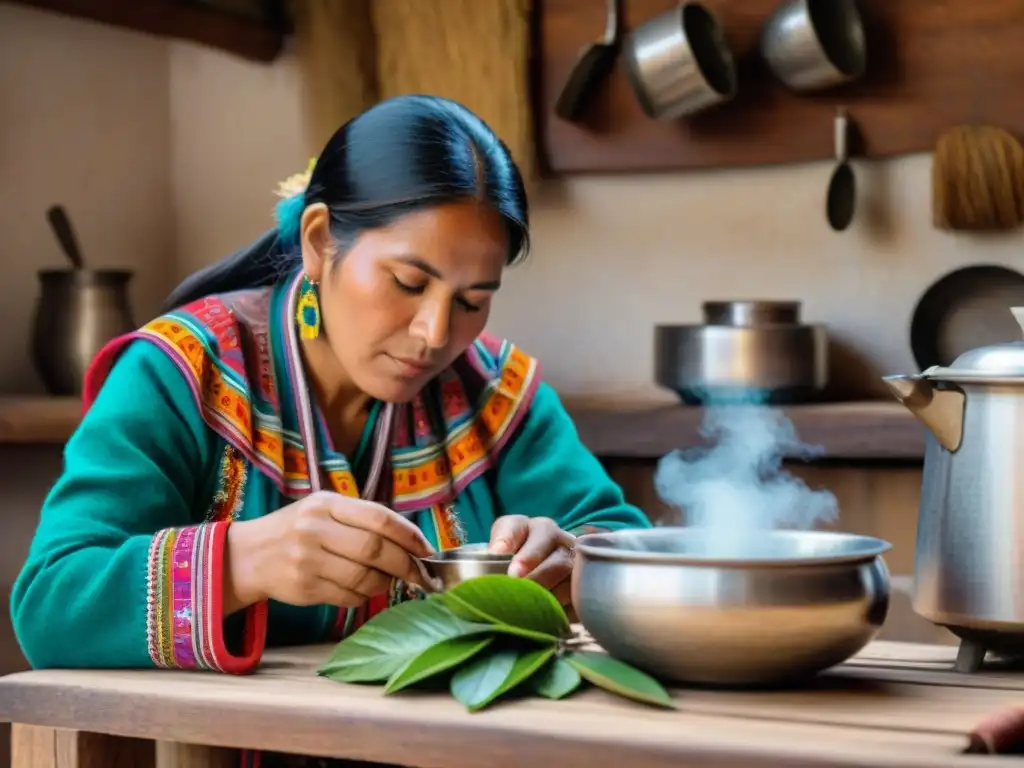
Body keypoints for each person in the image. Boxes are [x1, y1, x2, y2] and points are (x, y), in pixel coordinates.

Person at [10, 95, 650, 767]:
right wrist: (243, 562)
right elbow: (52, 600)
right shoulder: (179, 376)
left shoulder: (494, 394)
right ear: (319, 242)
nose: (436, 335)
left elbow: (622, 543)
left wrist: (572, 559)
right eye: (408, 282)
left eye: (471, 301)